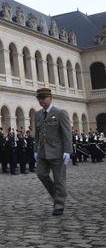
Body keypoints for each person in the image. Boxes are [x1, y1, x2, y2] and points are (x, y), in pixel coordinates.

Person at [34, 88, 72, 216]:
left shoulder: (60, 113)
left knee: (59, 179)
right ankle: (57, 196)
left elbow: (67, 133)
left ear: (50, 98)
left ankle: (59, 205)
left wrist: (68, 151)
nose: (41, 101)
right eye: (39, 99)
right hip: (42, 152)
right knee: (41, 174)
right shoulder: (38, 114)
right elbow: (37, 134)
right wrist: (35, 150)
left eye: (44, 99)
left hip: (57, 152)